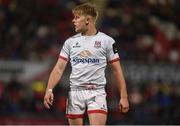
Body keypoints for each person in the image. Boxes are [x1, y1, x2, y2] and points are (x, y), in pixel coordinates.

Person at [44, 2, 129, 125]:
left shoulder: (107, 41)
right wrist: (49, 89)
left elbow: (117, 70)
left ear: (88, 20)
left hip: (97, 92)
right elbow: (58, 68)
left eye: (77, 17)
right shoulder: (70, 42)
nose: (73, 21)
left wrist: (124, 97)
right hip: (75, 92)